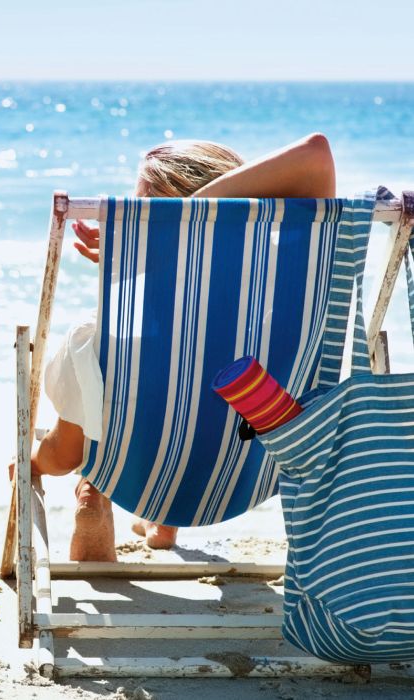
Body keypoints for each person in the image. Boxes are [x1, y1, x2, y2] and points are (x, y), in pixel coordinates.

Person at [31, 133, 336, 562]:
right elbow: (317, 156)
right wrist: (164, 240)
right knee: (209, 376)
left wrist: (161, 239)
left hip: (137, 473)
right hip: (245, 476)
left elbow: (67, 452)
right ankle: (161, 524)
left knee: (87, 402)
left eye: (146, 215)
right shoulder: (283, 302)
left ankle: (83, 484)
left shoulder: (115, 346)